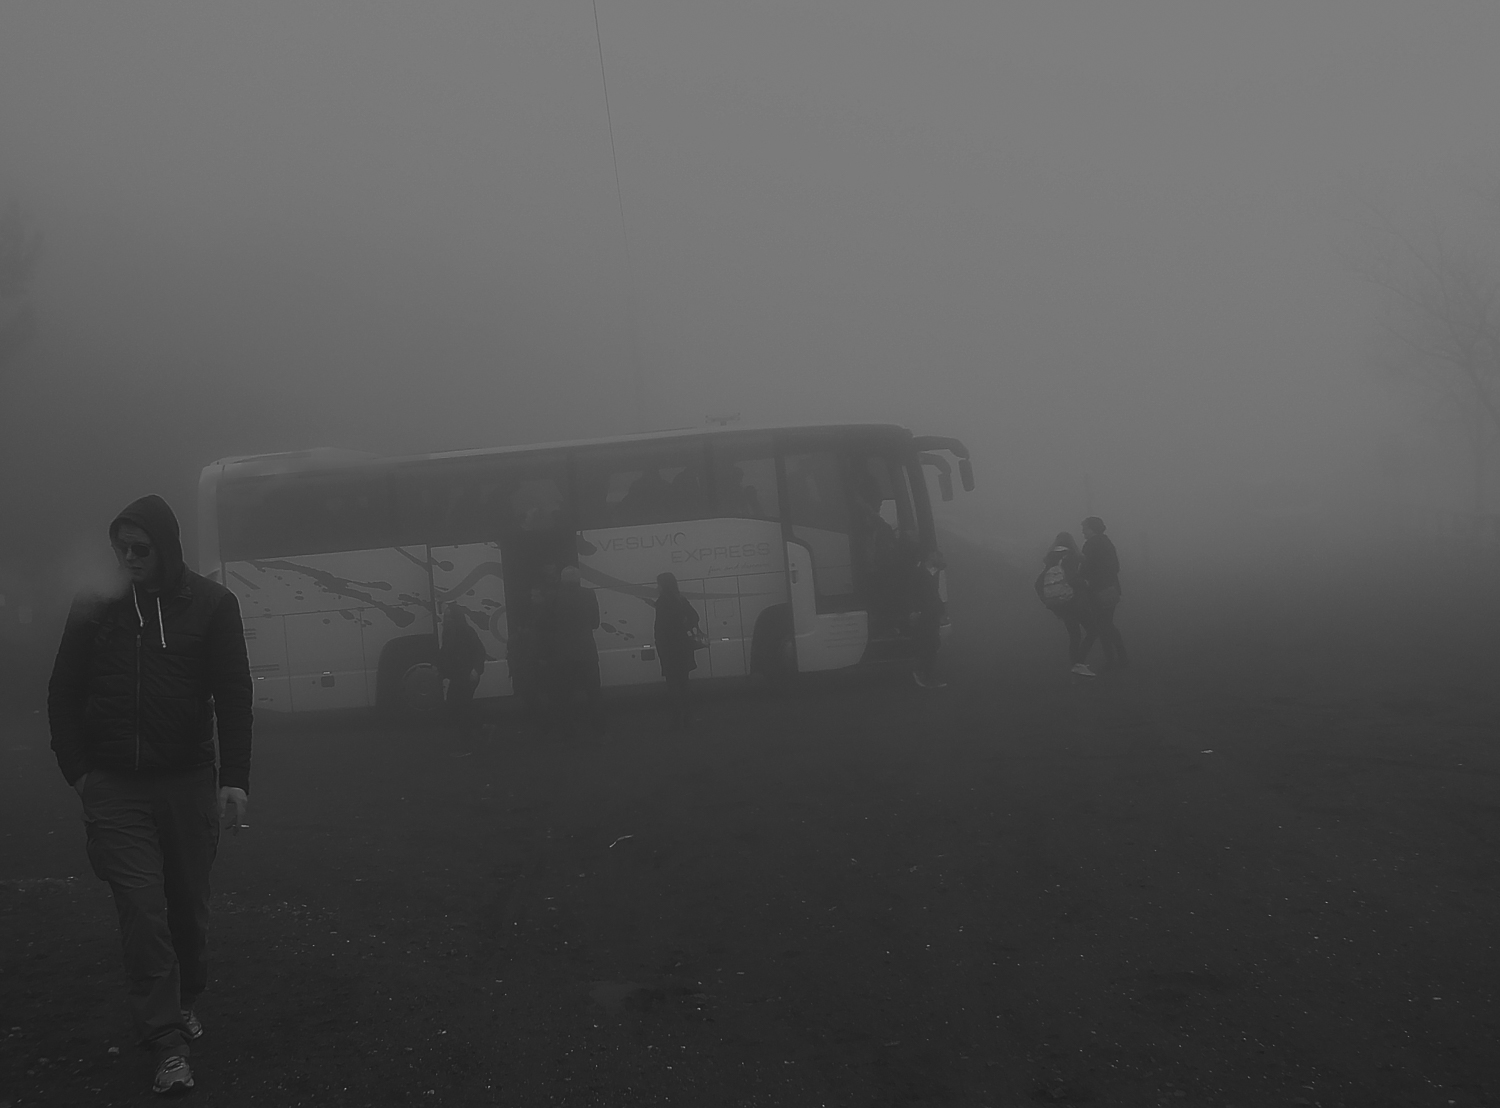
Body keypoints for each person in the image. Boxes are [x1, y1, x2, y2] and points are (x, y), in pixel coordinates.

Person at [47, 495, 252, 1097]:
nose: (128, 558)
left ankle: (186, 997)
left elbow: (233, 694)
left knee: (187, 906)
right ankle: (165, 1044)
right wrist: (79, 772)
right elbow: (62, 690)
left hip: (187, 779)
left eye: (141, 549)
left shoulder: (213, 605)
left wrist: (233, 778)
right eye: (121, 548)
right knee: (142, 911)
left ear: (168, 548)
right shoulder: (95, 607)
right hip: (113, 786)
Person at [541, 565, 602, 737]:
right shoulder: (589, 594)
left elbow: (544, 624)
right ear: (578, 580)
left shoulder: (552, 597)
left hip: (562, 654)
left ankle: (569, 736)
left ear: (562, 579)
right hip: (586, 652)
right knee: (593, 695)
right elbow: (595, 623)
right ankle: (598, 733)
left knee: (564, 697)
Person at [1035, 532, 1097, 678]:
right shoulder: (1071, 556)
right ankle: (1079, 664)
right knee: (1093, 630)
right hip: (1074, 601)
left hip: (1060, 604)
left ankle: (1076, 667)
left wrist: (1048, 601)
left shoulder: (1051, 559)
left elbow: (1038, 584)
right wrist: (1085, 583)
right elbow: (1072, 579)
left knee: (1074, 635)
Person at [652, 572, 702, 727]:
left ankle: (677, 719)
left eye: (659, 583)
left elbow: (661, 629)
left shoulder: (662, 602)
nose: (657, 587)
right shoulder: (680, 599)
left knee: (673, 685)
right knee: (684, 684)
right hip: (683, 646)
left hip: (669, 649)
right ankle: (689, 717)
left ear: (663, 585)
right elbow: (695, 617)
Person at [1079, 515, 1129, 670]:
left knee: (1102, 625)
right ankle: (1119, 656)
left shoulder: (1090, 545)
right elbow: (1116, 567)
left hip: (1097, 591)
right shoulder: (1107, 542)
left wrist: (1087, 581)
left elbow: (1085, 569)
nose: (1083, 532)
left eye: (1084, 529)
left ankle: (1113, 659)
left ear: (1091, 529)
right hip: (1112, 589)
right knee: (1107, 623)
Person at [437, 604, 486, 738]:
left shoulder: (467, 631)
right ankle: (480, 730)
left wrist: (476, 670)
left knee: (460, 707)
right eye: (445, 617)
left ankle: (467, 742)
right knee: (459, 706)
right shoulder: (447, 632)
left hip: (467, 675)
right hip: (458, 676)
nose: (445, 620)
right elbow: (445, 654)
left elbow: (479, 651)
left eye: (448, 617)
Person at [909, 551, 947, 688]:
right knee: (926, 643)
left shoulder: (936, 572)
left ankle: (927, 673)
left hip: (933, 613)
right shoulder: (918, 573)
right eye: (938, 555)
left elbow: (938, 595)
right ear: (931, 556)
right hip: (923, 614)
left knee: (933, 643)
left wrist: (942, 612)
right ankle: (922, 673)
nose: (941, 558)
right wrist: (915, 610)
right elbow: (913, 592)